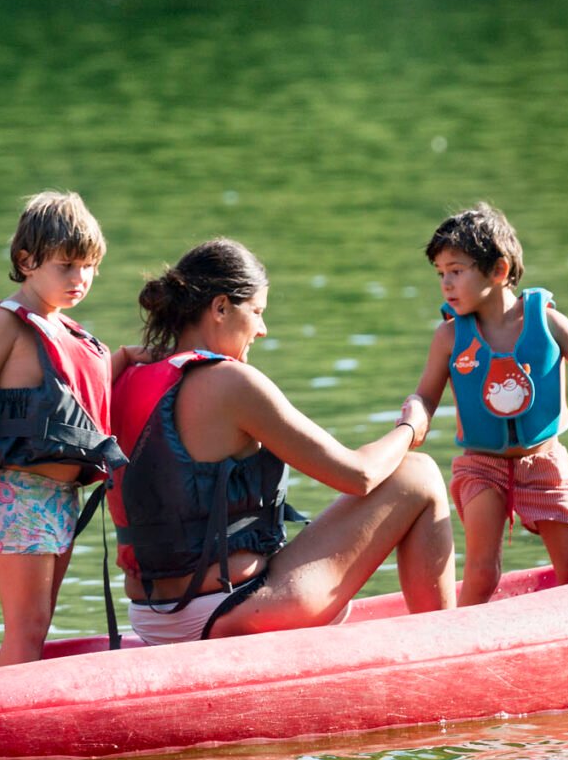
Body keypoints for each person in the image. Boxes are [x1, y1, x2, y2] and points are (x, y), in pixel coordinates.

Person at [109, 238, 455, 646]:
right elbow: (359, 475)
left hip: (150, 619)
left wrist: (120, 358)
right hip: (229, 611)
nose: (263, 328)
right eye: (256, 312)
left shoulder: (127, 376)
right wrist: (412, 426)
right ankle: (446, 646)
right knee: (419, 474)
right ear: (220, 308)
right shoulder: (231, 381)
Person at [410, 204, 568, 606]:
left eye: (456, 271)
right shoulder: (448, 337)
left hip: (543, 462)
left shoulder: (549, 323)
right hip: (481, 466)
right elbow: (426, 395)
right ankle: (464, 644)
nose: (446, 283)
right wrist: (415, 418)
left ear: (498, 271)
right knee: (482, 571)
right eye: (440, 273)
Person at [0, 192, 128, 664]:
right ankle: (4, 726)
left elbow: (70, 398)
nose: (80, 278)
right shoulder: (5, 324)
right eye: (66, 265)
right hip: (20, 491)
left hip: (60, 498)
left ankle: (16, 710)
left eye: (89, 266)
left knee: (40, 624)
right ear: (26, 261)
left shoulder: (65, 329)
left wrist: (129, 359)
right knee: (26, 629)